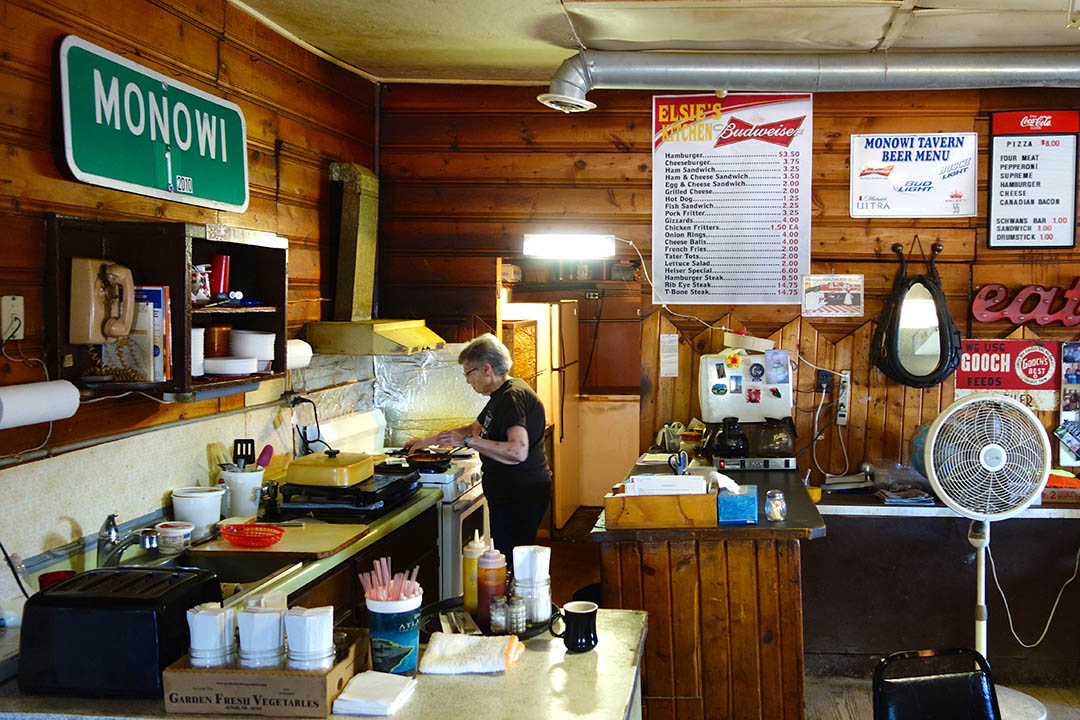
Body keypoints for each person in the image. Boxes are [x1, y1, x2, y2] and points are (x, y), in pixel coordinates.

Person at [404, 333, 551, 562]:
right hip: (513, 493)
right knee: (509, 559)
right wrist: (427, 441)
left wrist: (468, 442)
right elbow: (474, 427)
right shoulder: (501, 395)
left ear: (486, 369)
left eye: (468, 373)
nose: (467, 381)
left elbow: (517, 451)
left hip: (519, 495)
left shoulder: (512, 397)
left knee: (512, 562)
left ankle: (513, 598)